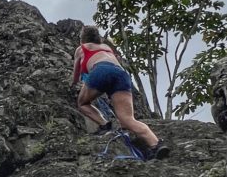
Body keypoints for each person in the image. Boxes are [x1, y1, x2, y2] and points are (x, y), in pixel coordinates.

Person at [70, 26, 169, 160]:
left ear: (82, 38)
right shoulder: (106, 47)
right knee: (127, 119)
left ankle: (104, 124)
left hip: (101, 71)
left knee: (82, 103)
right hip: (121, 75)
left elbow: (76, 75)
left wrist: (73, 85)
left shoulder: (81, 48)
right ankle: (156, 144)